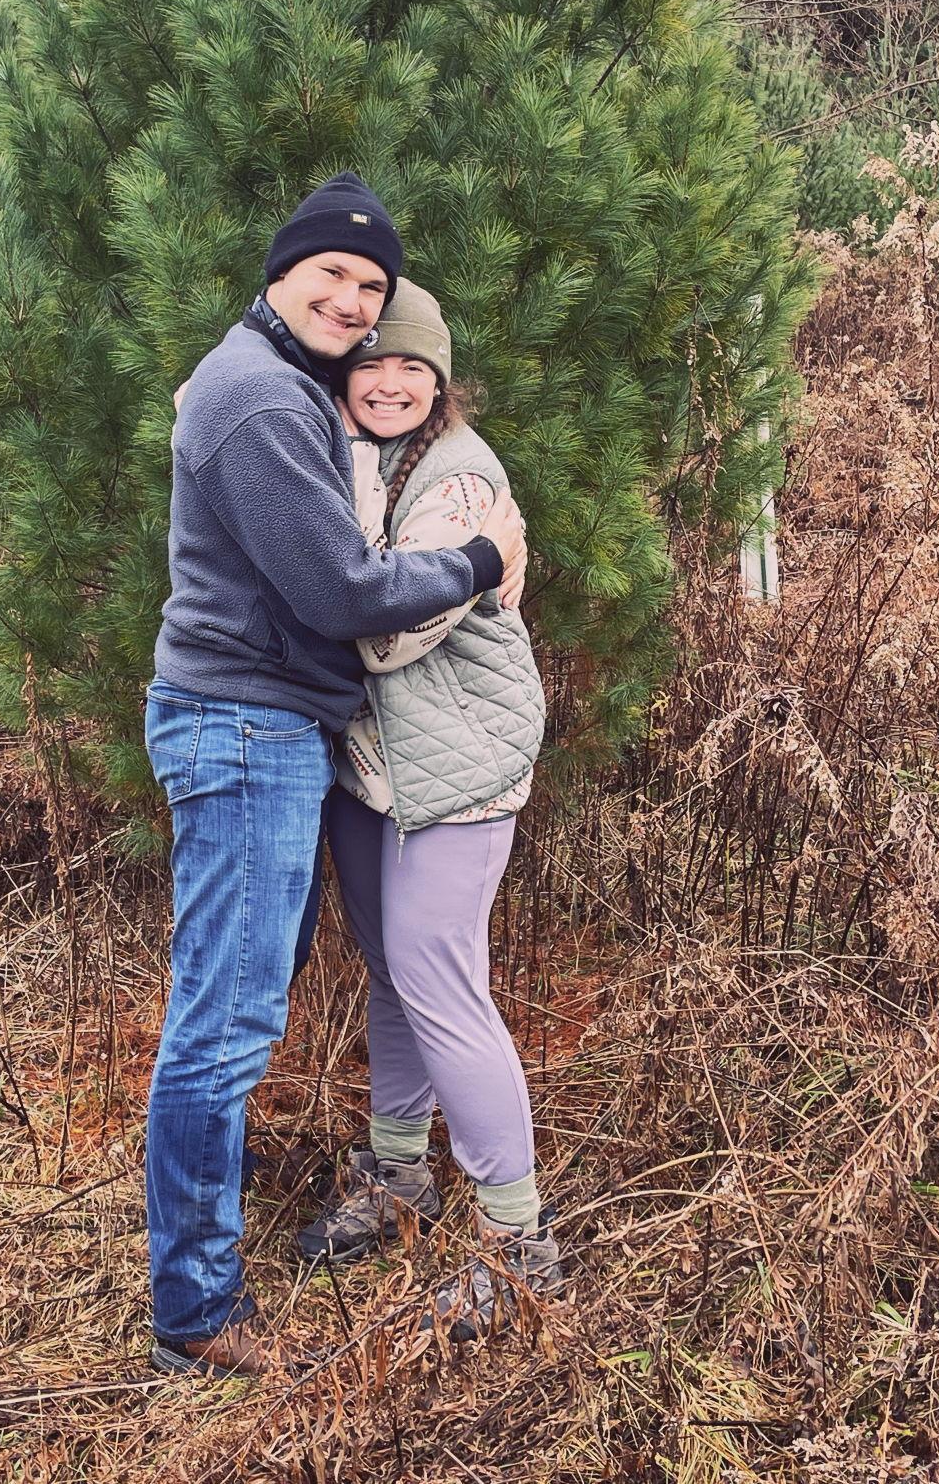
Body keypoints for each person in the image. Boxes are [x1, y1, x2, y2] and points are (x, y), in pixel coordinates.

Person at [144, 174, 529, 1378]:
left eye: (372, 286)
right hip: (243, 726)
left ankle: (455, 1217)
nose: (353, 304)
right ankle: (195, 1311)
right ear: (280, 270)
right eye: (332, 275)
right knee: (223, 1027)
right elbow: (341, 593)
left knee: (262, 1005)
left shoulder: (271, 384)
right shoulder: (262, 394)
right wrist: (480, 560)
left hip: (285, 732)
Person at [293, 280, 563, 1343]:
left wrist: (330, 594)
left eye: (413, 365)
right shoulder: (351, 455)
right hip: (375, 769)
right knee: (391, 970)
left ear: (440, 379)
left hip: (458, 771)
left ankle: (519, 1239)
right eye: (372, 362)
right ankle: (399, 1173)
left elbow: (387, 632)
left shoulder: (458, 477)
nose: (392, 381)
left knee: (439, 980)